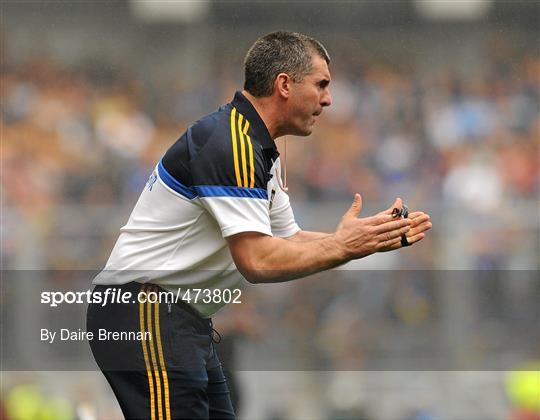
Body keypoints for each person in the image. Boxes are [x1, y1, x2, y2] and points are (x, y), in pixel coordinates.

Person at [87, 31, 432, 420]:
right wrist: (344, 247)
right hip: (143, 310)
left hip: (175, 317)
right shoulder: (229, 141)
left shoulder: (255, 145)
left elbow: (289, 240)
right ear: (284, 84)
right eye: (321, 85)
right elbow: (257, 259)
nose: (328, 99)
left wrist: (363, 241)